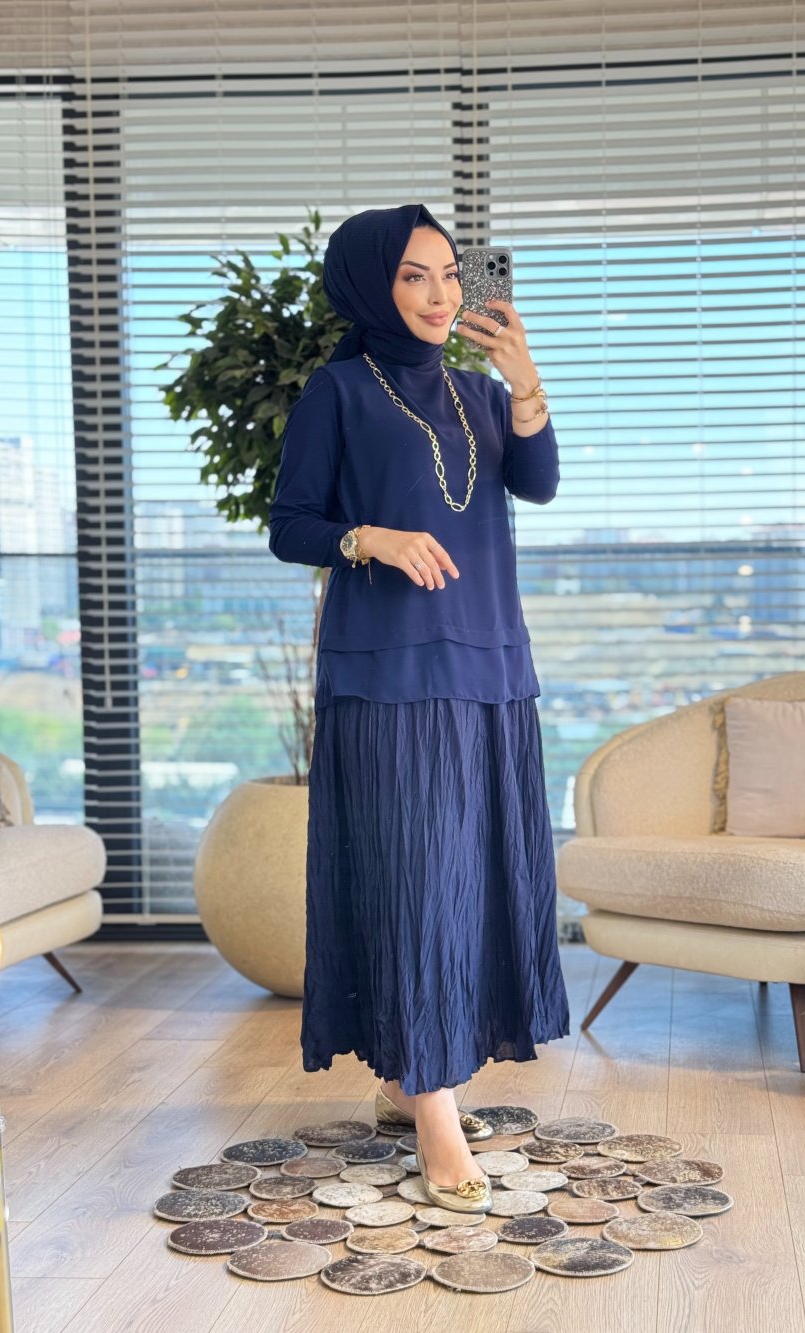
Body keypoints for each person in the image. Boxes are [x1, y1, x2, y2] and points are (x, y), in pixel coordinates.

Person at [267, 202, 571, 1213]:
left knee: (471, 886)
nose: (440, 294)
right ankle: (434, 1109)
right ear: (369, 285)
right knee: (417, 885)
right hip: (388, 677)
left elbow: (539, 484)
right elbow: (290, 524)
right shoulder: (339, 391)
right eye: (413, 275)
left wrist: (523, 378)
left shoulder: (481, 393)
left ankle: (411, 1084)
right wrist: (372, 539)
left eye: (450, 273)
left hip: (491, 669)